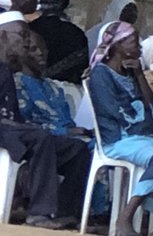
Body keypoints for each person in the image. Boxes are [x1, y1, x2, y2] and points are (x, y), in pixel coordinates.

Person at [0, 15, 89, 230]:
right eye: (22, 36)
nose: (28, 42)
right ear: (2, 35)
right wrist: (22, 126)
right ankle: (38, 213)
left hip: (10, 128)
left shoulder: (7, 69)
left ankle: (65, 212)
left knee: (77, 149)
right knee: (40, 137)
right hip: (4, 128)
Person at [88, 22, 153, 236]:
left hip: (141, 138)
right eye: (134, 42)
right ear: (117, 46)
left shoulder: (131, 75)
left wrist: (139, 75)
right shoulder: (101, 74)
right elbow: (113, 111)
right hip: (118, 140)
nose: (140, 47)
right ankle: (124, 219)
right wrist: (145, 122)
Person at [15, 29, 88, 139]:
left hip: (74, 139)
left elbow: (67, 121)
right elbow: (25, 125)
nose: (40, 53)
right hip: (46, 145)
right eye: (33, 49)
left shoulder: (54, 87)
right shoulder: (18, 85)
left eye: (43, 48)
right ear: (21, 53)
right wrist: (64, 131)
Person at [30, 0, 90, 85]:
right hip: (68, 87)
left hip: (33, 83)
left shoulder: (29, 28)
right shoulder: (75, 32)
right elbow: (83, 62)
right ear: (64, 6)